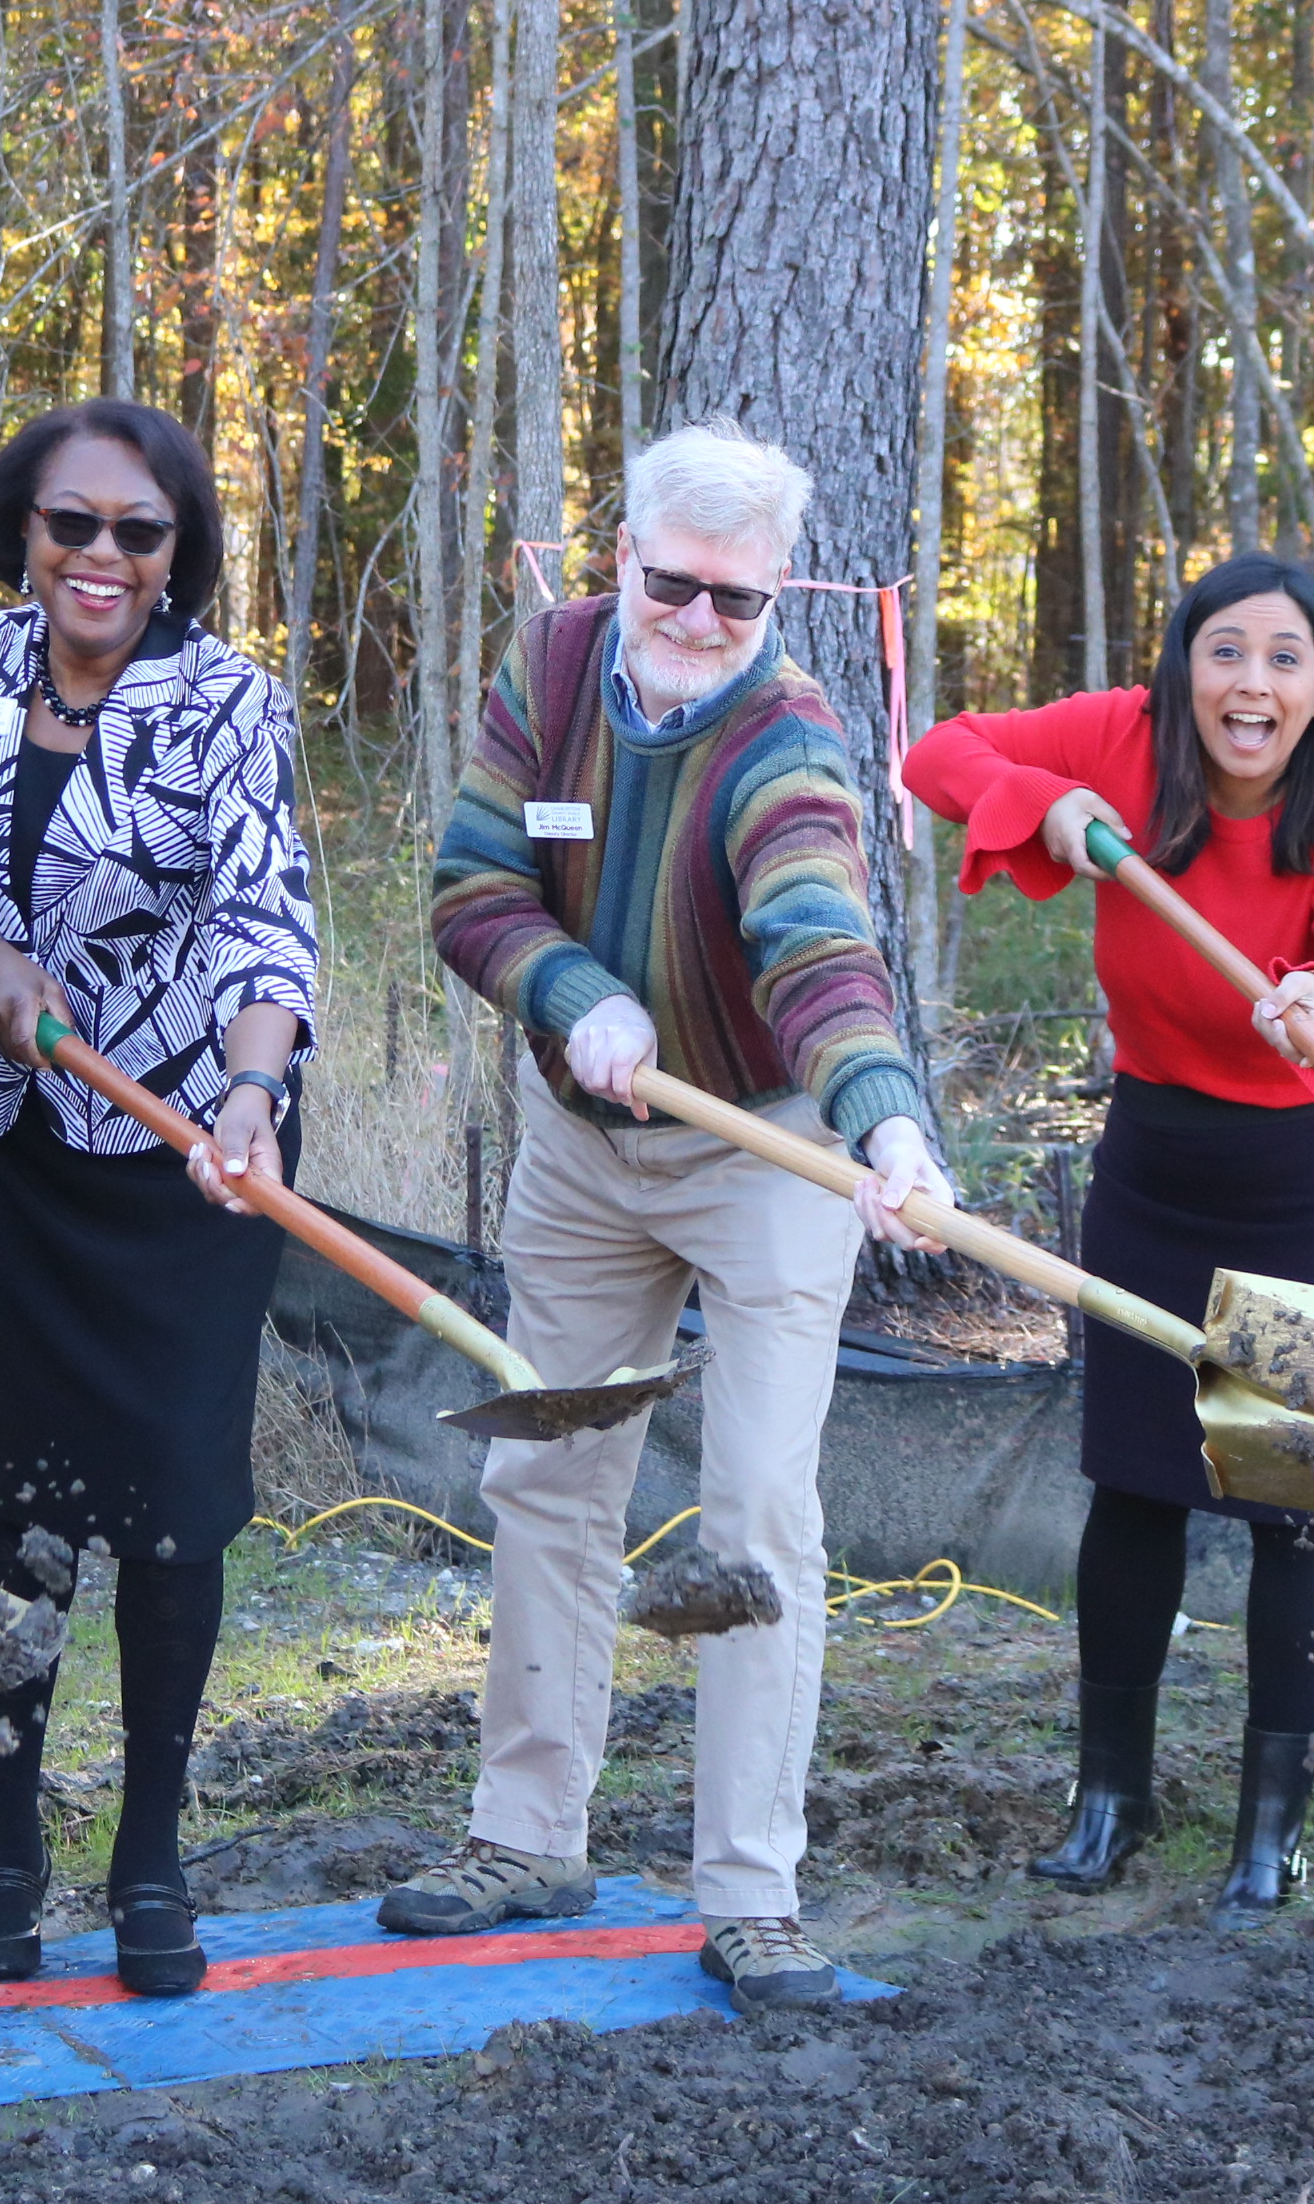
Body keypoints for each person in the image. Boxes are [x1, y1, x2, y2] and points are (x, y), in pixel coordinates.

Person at [380, 419, 950, 2015]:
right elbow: (469, 886)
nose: (700, 623)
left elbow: (817, 942)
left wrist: (883, 1116)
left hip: (761, 1145)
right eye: (673, 584)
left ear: (779, 599)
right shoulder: (552, 671)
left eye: (737, 601)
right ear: (619, 554)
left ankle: (753, 1889)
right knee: (549, 1473)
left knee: (759, 1514)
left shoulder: (788, 737)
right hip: (584, 1143)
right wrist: (573, 993)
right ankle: (525, 1833)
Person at [901, 552, 1314, 1930]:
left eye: (1285, 658)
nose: (1251, 682)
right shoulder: (1120, 745)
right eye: (1226, 651)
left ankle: (1279, 1834)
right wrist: (1047, 803)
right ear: (1185, 665)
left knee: (1300, 1505)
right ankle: (1111, 1800)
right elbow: (935, 754)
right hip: (1163, 1160)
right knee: (1136, 1481)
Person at [0, 399, 320, 1999]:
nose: (104, 557)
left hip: (193, 1152)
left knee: (178, 1502)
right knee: (30, 1498)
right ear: (23, 532)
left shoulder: (227, 704)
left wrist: (256, 1097)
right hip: (22, 1143)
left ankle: (151, 1845)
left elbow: (267, 921)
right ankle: (8, 1838)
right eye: (74, 525)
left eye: (141, 531)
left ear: (180, 549)